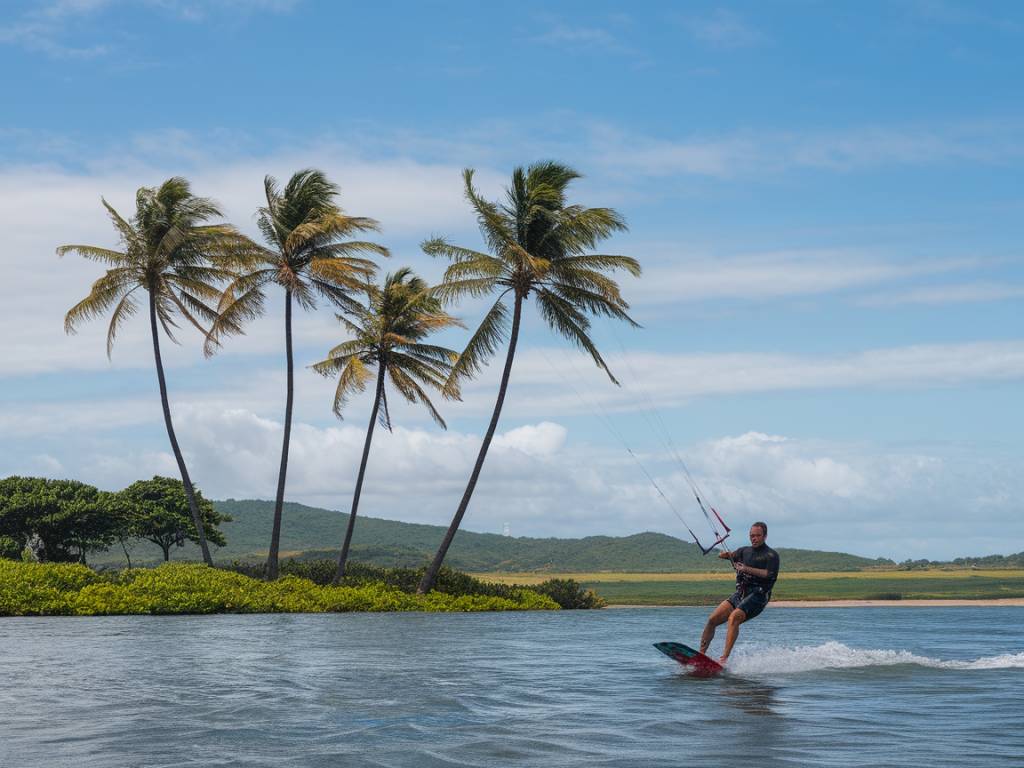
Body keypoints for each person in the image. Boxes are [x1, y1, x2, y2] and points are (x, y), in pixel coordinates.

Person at [699, 521, 780, 665]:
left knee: (734, 617)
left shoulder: (771, 555)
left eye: (757, 536)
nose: (753, 538)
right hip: (741, 593)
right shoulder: (744, 551)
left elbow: (769, 574)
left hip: (759, 596)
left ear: (765, 536)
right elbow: (731, 555)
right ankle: (700, 655)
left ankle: (723, 659)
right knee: (712, 620)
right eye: (751, 535)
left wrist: (745, 569)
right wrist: (723, 554)